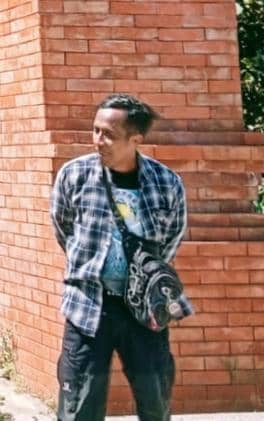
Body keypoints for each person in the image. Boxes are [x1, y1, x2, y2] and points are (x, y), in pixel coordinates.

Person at [50, 94, 189, 421]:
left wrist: (143, 279)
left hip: (144, 311)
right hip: (88, 306)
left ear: (135, 139)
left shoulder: (166, 183)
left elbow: (172, 238)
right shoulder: (74, 175)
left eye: (108, 134)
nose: (98, 140)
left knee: (155, 403)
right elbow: (63, 228)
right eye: (95, 130)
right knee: (77, 407)